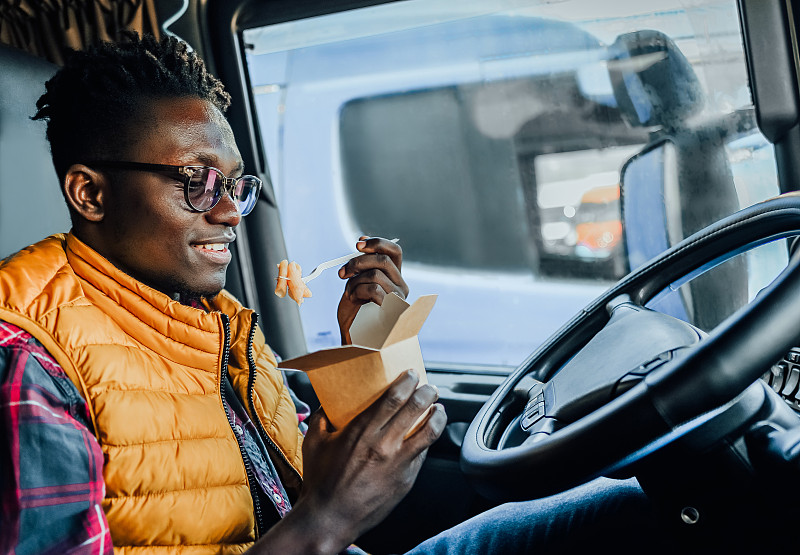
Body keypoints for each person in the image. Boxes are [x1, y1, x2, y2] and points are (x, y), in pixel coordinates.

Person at [0, 32, 671, 555]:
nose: (232, 211)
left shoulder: (210, 319)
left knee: (644, 500)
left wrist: (377, 340)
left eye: (236, 185)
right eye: (196, 181)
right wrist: (328, 518)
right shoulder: (33, 359)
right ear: (90, 192)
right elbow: (323, 503)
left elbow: (307, 466)